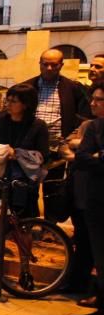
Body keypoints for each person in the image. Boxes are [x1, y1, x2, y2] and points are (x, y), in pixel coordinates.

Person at [21, 49, 88, 222]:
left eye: (54, 64)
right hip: (30, 147)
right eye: (45, 64)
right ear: (40, 64)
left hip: (57, 147)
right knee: (28, 188)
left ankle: (50, 226)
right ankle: (28, 224)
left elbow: (83, 116)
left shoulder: (72, 88)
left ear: (61, 65)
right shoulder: (28, 87)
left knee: (53, 189)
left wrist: (71, 137)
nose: (49, 68)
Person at [0, 83, 50, 219]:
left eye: (14, 101)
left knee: (23, 225)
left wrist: (17, 155)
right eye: (8, 100)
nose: (8, 104)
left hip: (23, 183)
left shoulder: (38, 126)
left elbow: (44, 156)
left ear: (26, 104)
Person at [63, 82, 104, 303]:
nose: (93, 103)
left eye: (99, 100)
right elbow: (81, 157)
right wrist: (93, 156)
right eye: (93, 99)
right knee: (91, 245)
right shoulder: (93, 126)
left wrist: (94, 156)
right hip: (89, 195)